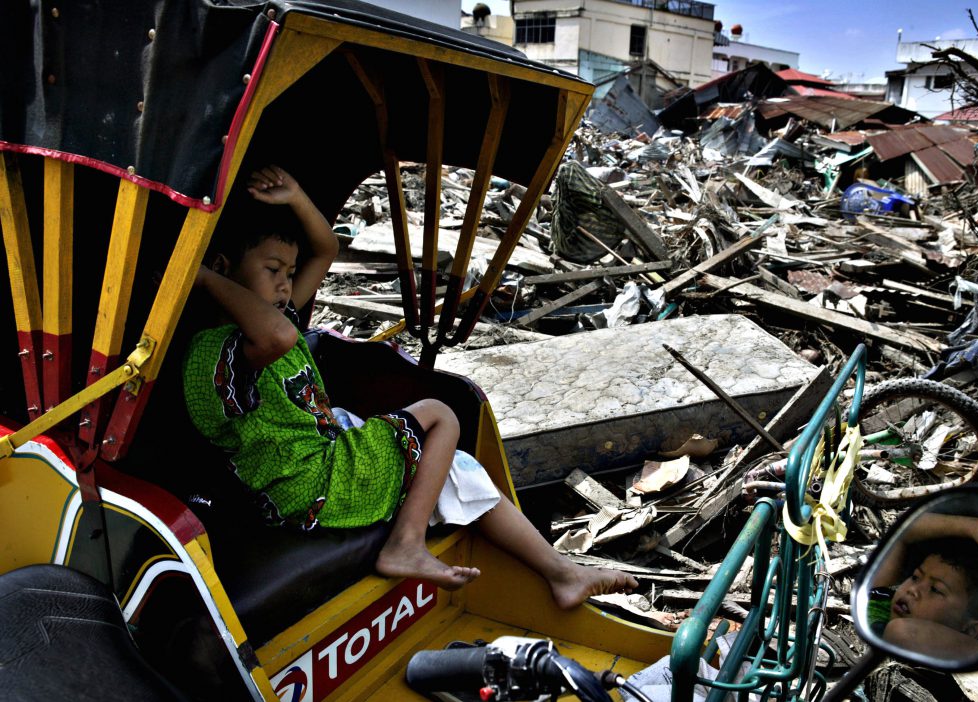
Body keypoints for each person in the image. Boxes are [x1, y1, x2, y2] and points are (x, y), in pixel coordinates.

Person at [182, 164, 637, 607]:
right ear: (222, 268)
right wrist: (200, 275)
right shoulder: (221, 348)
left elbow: (326, 250)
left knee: (454, 468)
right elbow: (276, 338)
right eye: (272, 271)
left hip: (320, 468)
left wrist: (297, 197)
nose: (285, 286)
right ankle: (406, 544)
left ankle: (561, 574)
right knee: (439, 414)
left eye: (289, 273)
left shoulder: (275, 322)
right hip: (311, 487)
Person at [867, 511, 978, 658]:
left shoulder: (902, 631)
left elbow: (901, 632)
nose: (913, 590)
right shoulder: (879, 601)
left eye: (935, 589)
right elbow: (903, 530)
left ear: (970, 630)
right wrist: (973, 526)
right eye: (915, 577)